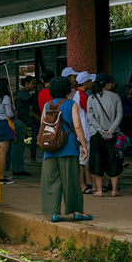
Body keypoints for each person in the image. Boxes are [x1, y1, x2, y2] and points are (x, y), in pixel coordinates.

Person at [41, 76, 92, 222]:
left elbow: (42, 125)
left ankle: (54, 213)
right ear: (67, 89)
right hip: (68, 148)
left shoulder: (47, 105)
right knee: (72, 181)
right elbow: (77, 126)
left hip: (50, 149)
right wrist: (83, 144)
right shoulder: (71, 104)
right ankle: (77, 211)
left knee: (52, 181)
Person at [87, 73, 124, 197]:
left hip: (97, 134)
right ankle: (114, 190)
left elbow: (90, 116)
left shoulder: (91, 98)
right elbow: (119, 115)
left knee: (97, 160)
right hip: (113, 134)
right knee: (113, 159)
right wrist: (112, 129)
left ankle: (99, 190)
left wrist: (100, 129)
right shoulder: (115, 97)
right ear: (107, 84)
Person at [74, 71, 94, 194]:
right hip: (85, 131)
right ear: (86, 82)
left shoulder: (77, 94)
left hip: (83, 130)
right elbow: (89, 111)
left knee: (83, 160)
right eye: (90, 81)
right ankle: (83, 185)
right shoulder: (82, 96)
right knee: (83, 160)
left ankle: (86, 183)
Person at [0, 78, 15, 184]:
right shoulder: (5, 98)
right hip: (3, 124)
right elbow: (9, 114)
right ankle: (1, 177)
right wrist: (15, 113)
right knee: (3, 153)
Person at [12, 77, 35, 176]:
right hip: (20, 122)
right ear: (26, 83)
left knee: (19, 146)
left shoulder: (24, 94)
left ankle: (18, 167)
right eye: (32, 83)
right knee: (18, 146)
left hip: (23, 122)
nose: (34, 86)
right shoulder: (23, 94)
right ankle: (17, 168)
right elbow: (30, 100)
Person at [122, 84, 132, 155]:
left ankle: (131, 149)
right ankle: (125, 150)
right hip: (125, 119)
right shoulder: (123, 98)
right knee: (125, 135)